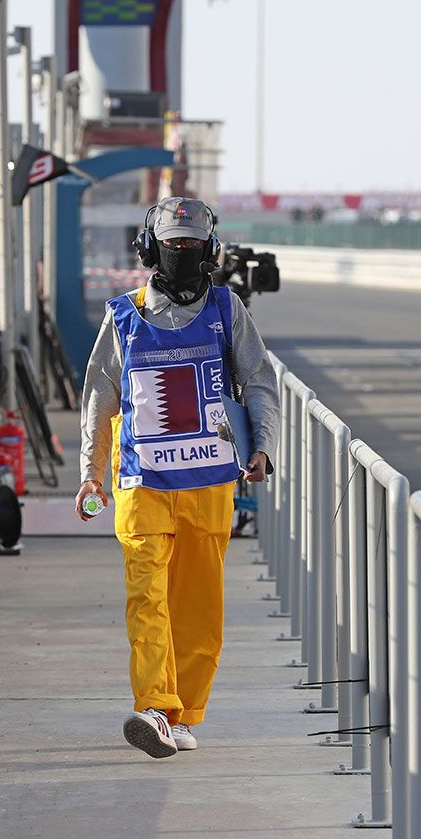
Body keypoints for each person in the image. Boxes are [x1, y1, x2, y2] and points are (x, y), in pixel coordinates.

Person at [77, 196, 280, 759]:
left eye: (191, 244)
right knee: (147, 598)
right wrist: (91, 473)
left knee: (197, 608)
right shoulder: (123, 317)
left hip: (209, 486)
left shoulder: (227, 311)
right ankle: (155, 707)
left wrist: (263, 446)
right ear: (151, 248)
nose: (182, 252)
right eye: (173, 244)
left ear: (209, 249)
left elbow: (259, 381)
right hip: (142, 485)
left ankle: (183, 713)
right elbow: (99, 397)